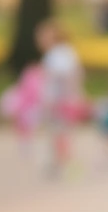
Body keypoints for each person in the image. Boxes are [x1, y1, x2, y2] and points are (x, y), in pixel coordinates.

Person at [36, 18, 87, 177]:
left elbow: (66, 77)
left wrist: (63, 98)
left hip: (58, 102)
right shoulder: (67, 52)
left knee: (59, 134)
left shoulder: (56, 55)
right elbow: (78, 73)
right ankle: (62, 162)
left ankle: (65, 164)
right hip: (64, 100)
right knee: (61, 134)